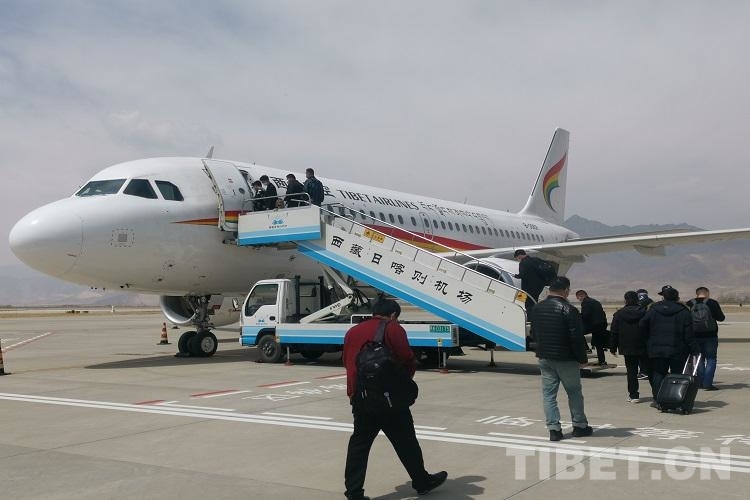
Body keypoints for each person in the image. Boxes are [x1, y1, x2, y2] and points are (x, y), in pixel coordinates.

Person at [342, 299, 447, 499]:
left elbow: (348, 363)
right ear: (393, 315)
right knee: (406, 442)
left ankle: (354, 492)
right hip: (389, 400)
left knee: (359, 447)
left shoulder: (353, 332)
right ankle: (422, 482)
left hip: (361, 398)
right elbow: (407, 358)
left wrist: (353, 393)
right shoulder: (392, 328)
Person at [529, 276, 592, 442]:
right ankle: (579, 426)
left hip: (545, 357)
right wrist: (582, 359)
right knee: (574, 392)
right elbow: (576, 337)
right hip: (566, 358)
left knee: (549, 395)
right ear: (566, 290)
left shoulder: (537, 308)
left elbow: (533, 333)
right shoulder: (569, 309)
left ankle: (554, 430)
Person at [639, 285, 695, 407]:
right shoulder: (684, 311)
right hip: (678, 349)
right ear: (677, 298)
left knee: (658, 374)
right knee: (677, 375)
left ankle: (658, 400)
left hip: (657, 349)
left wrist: (648, 341)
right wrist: (693, 348)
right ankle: (675, 399)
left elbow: (642, 325)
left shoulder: (653, 309)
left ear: (663, 297)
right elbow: (689, 333)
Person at [610, 291, 648, 403]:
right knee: (649, 370)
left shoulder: (619, 314)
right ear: (637, 299)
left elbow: (614, 332)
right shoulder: (645, 312)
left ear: (625, 300)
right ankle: (657, 395)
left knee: (631, 372)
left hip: (627, 347)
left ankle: (634, 395)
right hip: (644, 345)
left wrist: (613, 347)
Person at [686, 286, 725, 391]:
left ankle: (700, 382)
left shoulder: (689, 303)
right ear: (707, 293)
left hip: (695, 336)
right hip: (710, 336)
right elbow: (721, 318)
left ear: (697, 293)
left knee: (699, 359)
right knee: (711, 359)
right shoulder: (712, 303)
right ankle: (708, 383)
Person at [575, 290, 609, 366]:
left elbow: (585, 315)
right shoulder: (595, 301)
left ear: (581, 295)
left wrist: (577, 317)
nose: (578, 299)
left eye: (578, 298)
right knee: (599, 344)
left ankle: (587, 349)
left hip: (594, 325)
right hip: (602, 324)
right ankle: (602, 361)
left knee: (578, 332)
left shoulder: (585, 302)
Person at [513, 249, 546, 315]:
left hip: (527, 288)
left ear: (519, 256)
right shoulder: (536, 260)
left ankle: (525, 315)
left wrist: (516, 276)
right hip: (539, 286)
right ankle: (533, 314)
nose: (518, 259)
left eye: (517, 258)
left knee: (523, 301)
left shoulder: (523, 263)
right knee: (534, 300)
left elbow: (522, 275)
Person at [634, 288, 654, 380]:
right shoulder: (651, 303)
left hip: (640, 332)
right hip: (651, 332)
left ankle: (644, 371)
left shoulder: (637, 303)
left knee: (641, 354)